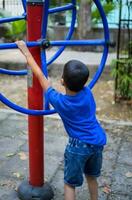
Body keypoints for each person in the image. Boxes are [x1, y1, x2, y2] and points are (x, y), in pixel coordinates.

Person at [16, 41, 107, 200]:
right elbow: (75, 88)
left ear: (63, 81)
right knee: (92, 177)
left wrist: (26, 51)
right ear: (84, 82)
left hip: (78, 146)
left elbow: (38, 75)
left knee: (69, 183)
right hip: (98, 141)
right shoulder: (87, 93)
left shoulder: (59, 101)